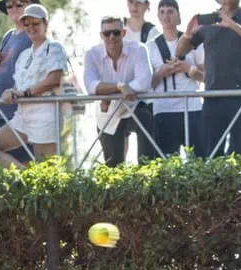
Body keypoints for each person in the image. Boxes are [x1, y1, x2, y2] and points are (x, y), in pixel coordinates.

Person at [176, 0, 241, 157]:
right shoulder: (209, 20)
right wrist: (188, 33)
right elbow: (180, 52)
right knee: (211, 154)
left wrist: (232, 25)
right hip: (213, 96)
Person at [0, 4, 66, 168]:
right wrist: (11, 92)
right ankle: (27, 180)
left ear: (46, 24)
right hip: (22, 116)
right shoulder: (25, 54)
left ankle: (35, 184)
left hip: (45, 116)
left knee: (47, 172)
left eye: (35, 23)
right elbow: (19, 84)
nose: (31, 27)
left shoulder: (54, 47)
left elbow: (54, 79)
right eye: (27, 24)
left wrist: (26, 93)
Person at [82, 16, 152, 167]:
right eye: (107, 33)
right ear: (101, 35)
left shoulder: (139, 49)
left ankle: (147, 176)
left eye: (116, 32)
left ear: (124, 33)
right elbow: (91, 86)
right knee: (113, 165)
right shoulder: (92, 54)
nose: (111, 37)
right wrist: (120, 87)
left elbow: (144, 81)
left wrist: (106, 93)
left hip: (133, 106)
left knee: (146, 121)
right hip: (108, 113)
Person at [146, 0, 203, 158]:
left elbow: (207, 77)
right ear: (157, 16)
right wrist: (162, 72)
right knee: (166, 161)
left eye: (170, 12)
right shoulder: (150, 47)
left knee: (200, 159)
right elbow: (146, 84)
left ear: (178, 16)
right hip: (164, 109)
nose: (166, 16)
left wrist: (188, 69)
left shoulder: (194, 43)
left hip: (192, 107)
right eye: (162, 12)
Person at [123, 0, 158, 161]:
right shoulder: (118, 28)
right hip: (120, 94)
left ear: (147, 5)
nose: (134, 6)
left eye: (139, 2)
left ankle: (144, 177)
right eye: (131, 1)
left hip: (144, 97)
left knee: (146, 147)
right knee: (117, 147)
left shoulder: (152, 32)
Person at [0, 0, 31, 128]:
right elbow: (2, 62)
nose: (14, 9)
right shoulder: (8, 36)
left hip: (21, 110)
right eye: (9, 6)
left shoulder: (33, 34)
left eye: (19, 4)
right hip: (0, 111)